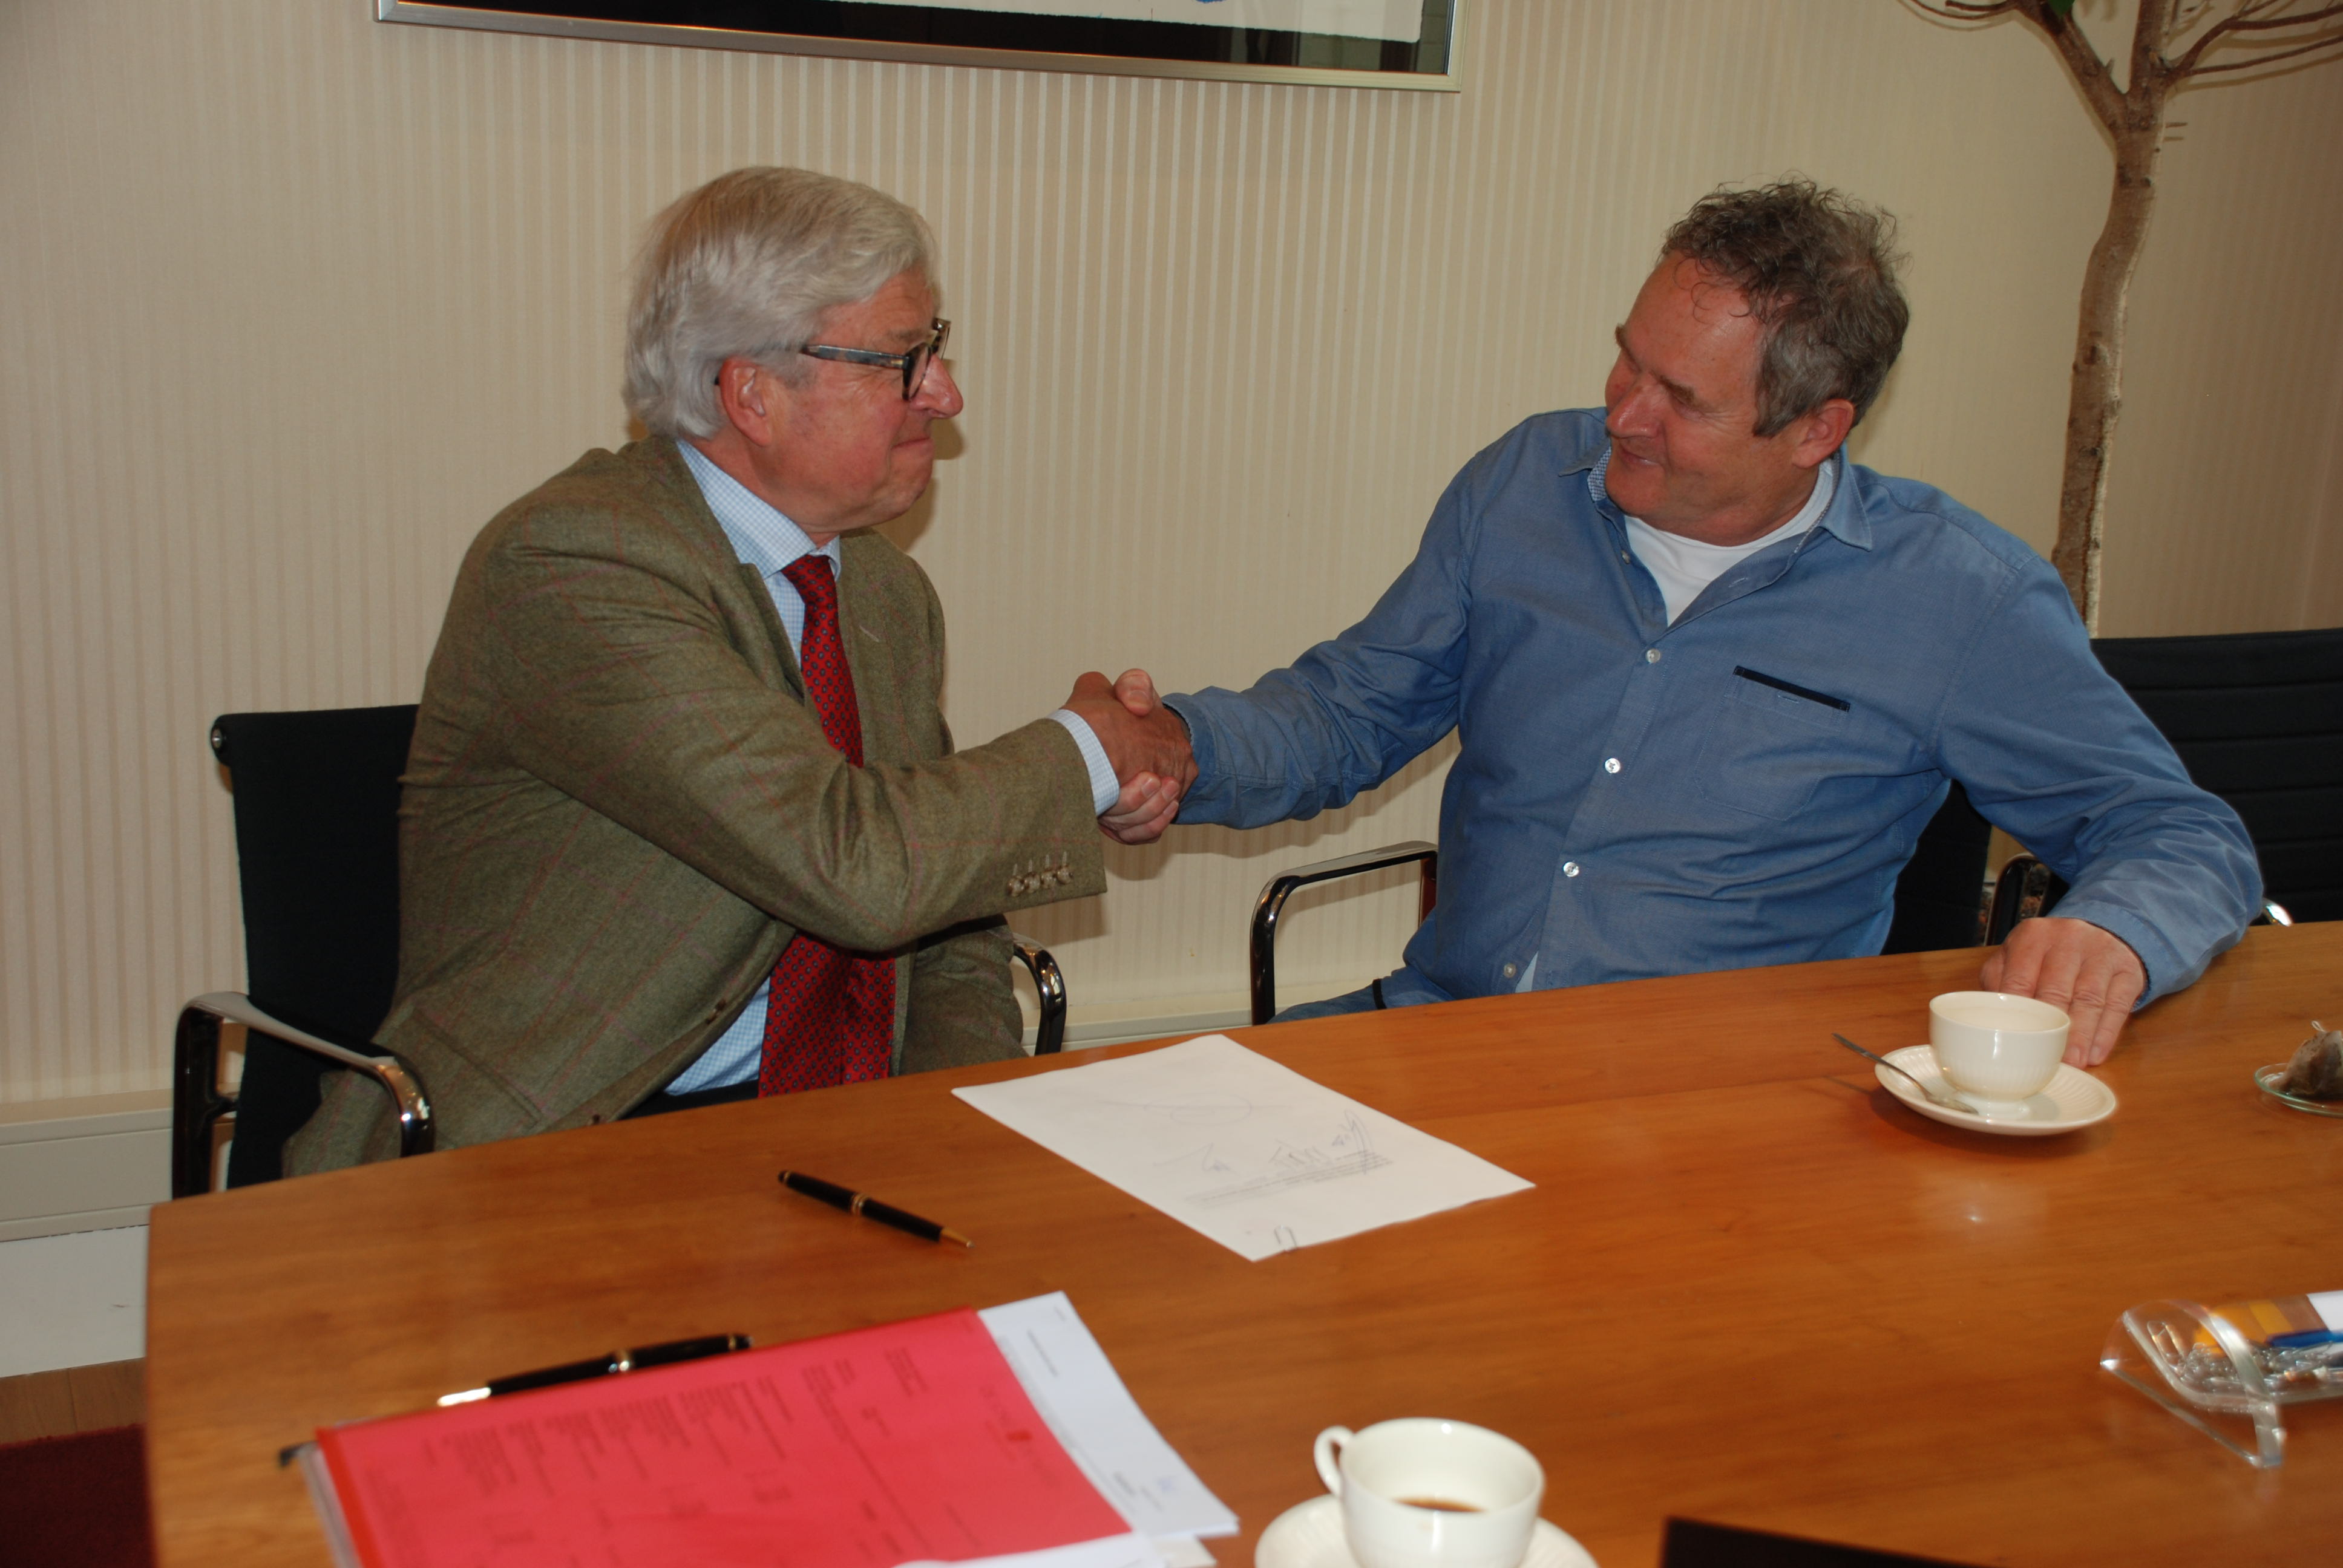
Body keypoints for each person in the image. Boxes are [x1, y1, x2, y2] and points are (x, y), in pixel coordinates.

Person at [1106, 180, 2258, 1067]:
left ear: (1816, 430)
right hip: (1446, 1037)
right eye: (1628, 359)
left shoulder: (1961, 598)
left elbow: (2182, 834)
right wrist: (1180, 747)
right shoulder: (1526, 483)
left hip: (1715, 1104)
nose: (1624, 414)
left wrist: (2114, 932)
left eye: (1684, 400)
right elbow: (1353, 711)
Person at [289, 167, 1188, 1171]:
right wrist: (1090, 749)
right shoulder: (576, 563)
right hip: (573, 1136)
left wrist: (950, 1128)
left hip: (829, 1130)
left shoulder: (884, 593)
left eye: (935, 349)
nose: (945, 392)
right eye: (903, 359)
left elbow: (950, 924)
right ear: (753, 393)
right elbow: (855, 865)